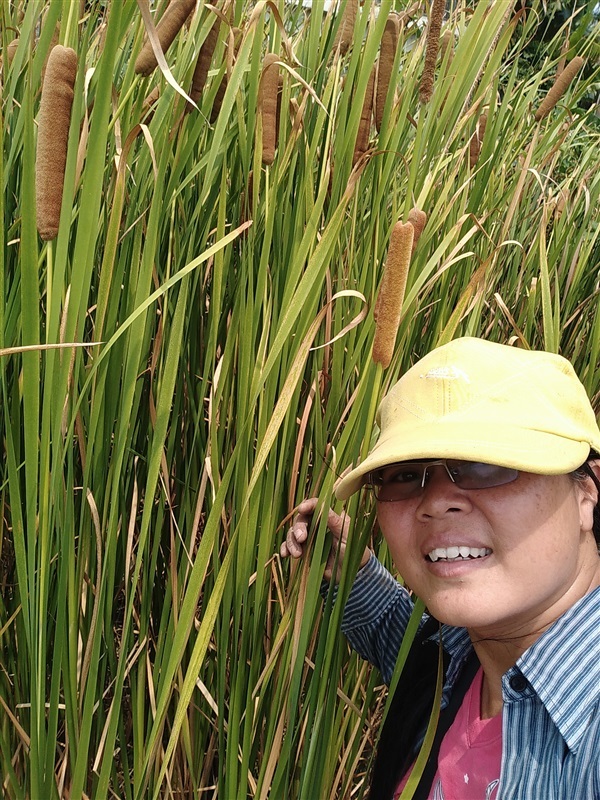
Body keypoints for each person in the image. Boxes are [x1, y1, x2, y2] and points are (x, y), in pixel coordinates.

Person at [281, 337, 600, 800]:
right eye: (406, 475)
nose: (434, 502)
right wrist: (347, 570)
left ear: (588, 491)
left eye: (484, 464)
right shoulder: (460, 657)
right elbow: (406, 643)